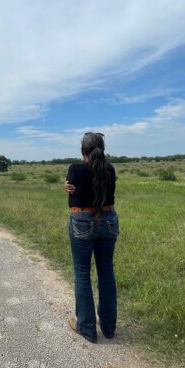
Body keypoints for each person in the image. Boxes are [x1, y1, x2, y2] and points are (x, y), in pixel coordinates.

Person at [64, 132, 118, 343]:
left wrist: (66, 186)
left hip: (81, 220)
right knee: (106, 272)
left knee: (82, 273)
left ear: (82, 151)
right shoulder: (110, 169)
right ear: (102, 149)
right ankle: (108, 326)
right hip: (109, 219)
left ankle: (86, 327)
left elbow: (73, 191)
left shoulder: (75, 169)